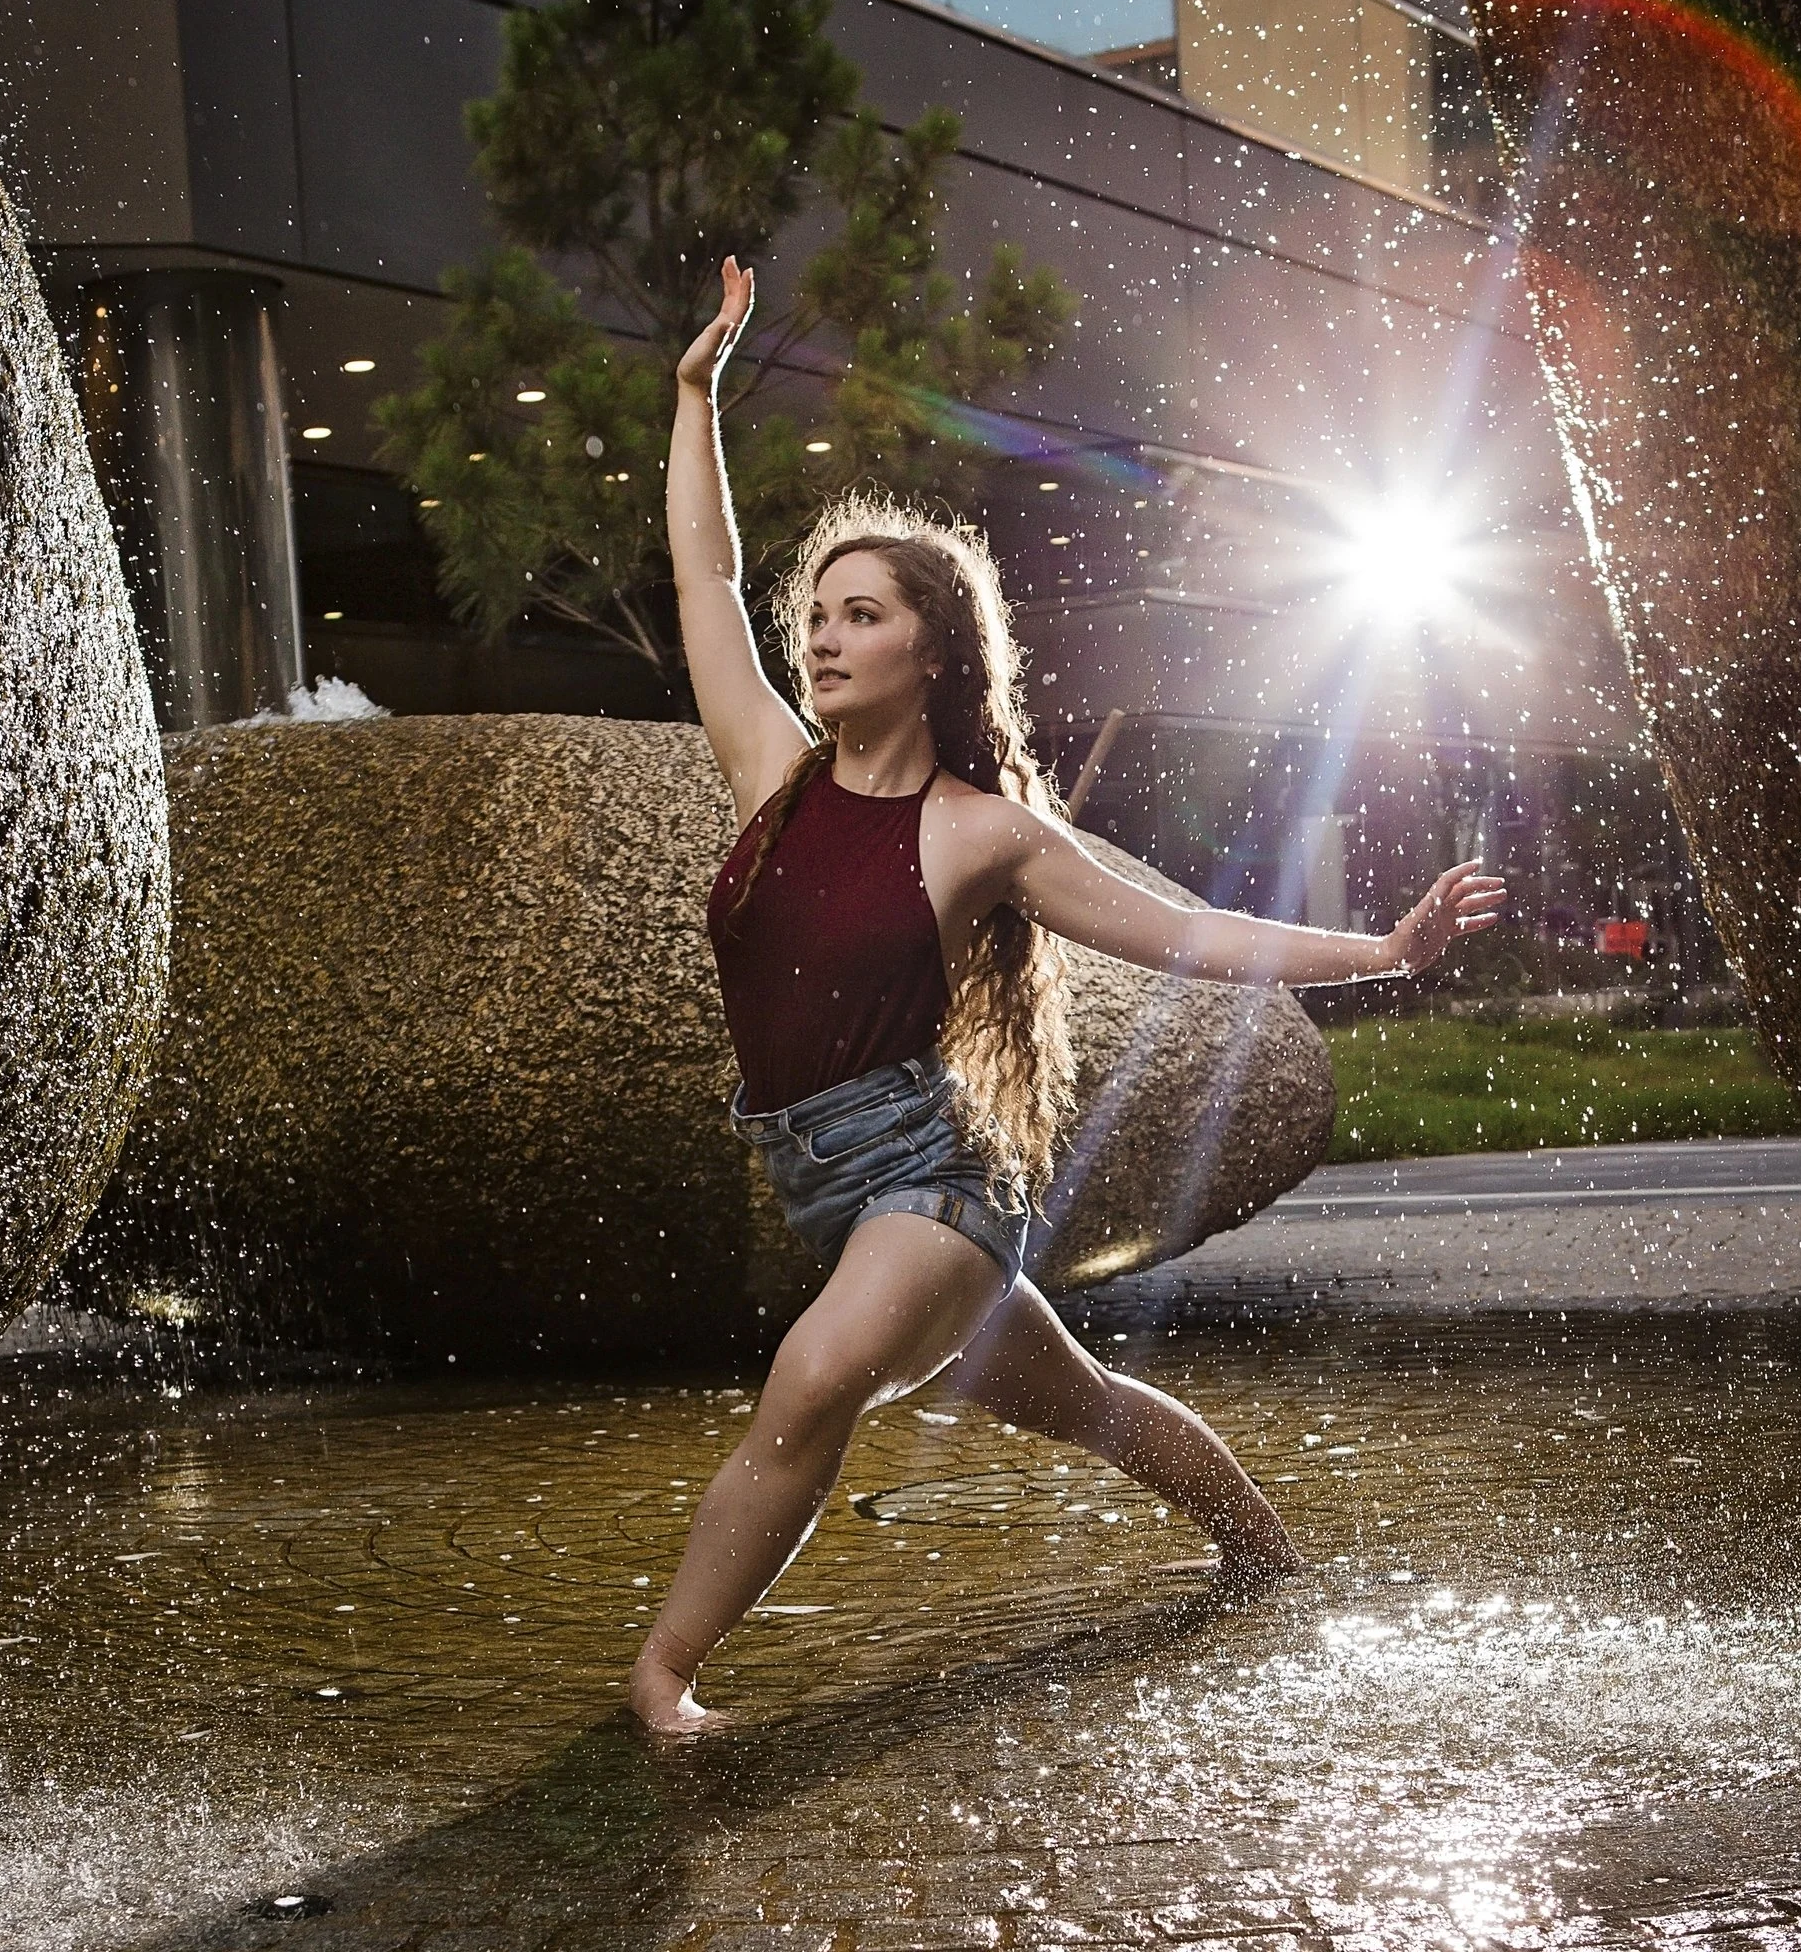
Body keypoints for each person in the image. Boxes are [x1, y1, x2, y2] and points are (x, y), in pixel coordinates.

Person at [629, 255, 1504, 1734]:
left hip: (933, 1188)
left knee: (816, 1376)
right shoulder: (772, 782)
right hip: (829, 1191)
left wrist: (1386, 955)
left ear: (932, 653)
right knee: (1086, 1406)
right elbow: (707, 580)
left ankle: (663, 1682)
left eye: (861, 617)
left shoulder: (982, 833)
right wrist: (694, 392)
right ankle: (1265, 1550)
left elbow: (1189, 935)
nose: (824, 637)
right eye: (820, 618)